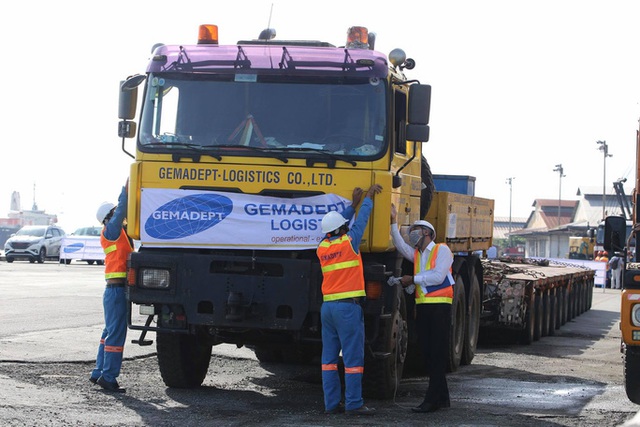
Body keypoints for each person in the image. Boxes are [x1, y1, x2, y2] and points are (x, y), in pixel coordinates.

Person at [317, 184, 382, 416]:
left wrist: (351, 206)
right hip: (347, 308)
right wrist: (368, 200)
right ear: (342, 229)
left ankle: (331, 404)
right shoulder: (349, 243)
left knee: (329, 360)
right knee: (353, 359)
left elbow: (338, 225)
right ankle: (354, 403)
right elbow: (362, 221)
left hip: (328, 309)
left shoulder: (322, 247)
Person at [390, 203, 454, 413]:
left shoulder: (441, 250)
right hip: (425, 310)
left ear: (427, 233)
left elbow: (438, 276)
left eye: (416, 230)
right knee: (428, 352)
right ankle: (442, 397)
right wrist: (393, 221)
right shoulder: (417, 254)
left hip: (440, 310)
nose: (413, 234)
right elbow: (400, 245)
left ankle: (431, 400)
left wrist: (413, 279)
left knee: (436, 354)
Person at [89, 181, 133, 393]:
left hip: (113, 291)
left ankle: (98, 372)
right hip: (116, 291)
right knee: (116, 334)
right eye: (114, 213)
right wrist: (126, 189)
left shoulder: (114, 232)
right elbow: (122, 207)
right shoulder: (112, 230)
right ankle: (108, 377)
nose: (119, 216)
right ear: (109, 216)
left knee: (108, 331)